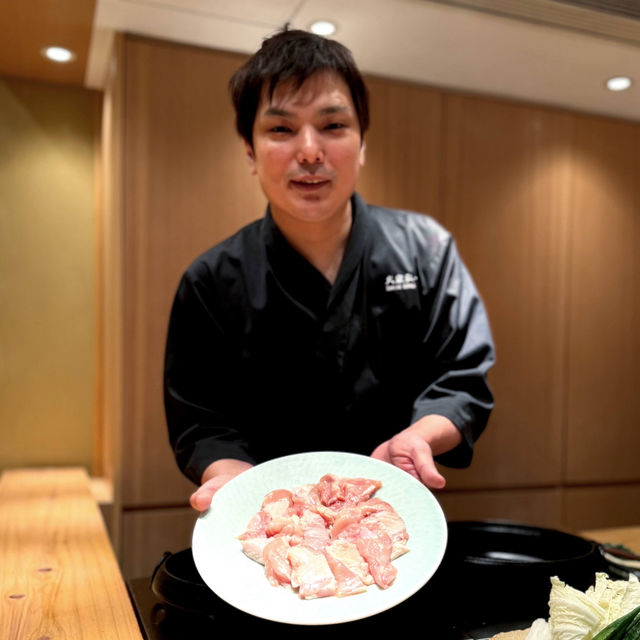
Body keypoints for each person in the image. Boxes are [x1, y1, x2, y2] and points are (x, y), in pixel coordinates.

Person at [163, 28, 495, 512]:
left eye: (333, 125)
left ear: (362, 145)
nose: (310, 151)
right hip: (269, 520)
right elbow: (200, 421)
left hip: (395, 511)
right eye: (281, 129)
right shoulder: (210, 280)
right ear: (250, 150)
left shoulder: (425, 250)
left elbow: (462, 378)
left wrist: (418, 437)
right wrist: (231, 475)